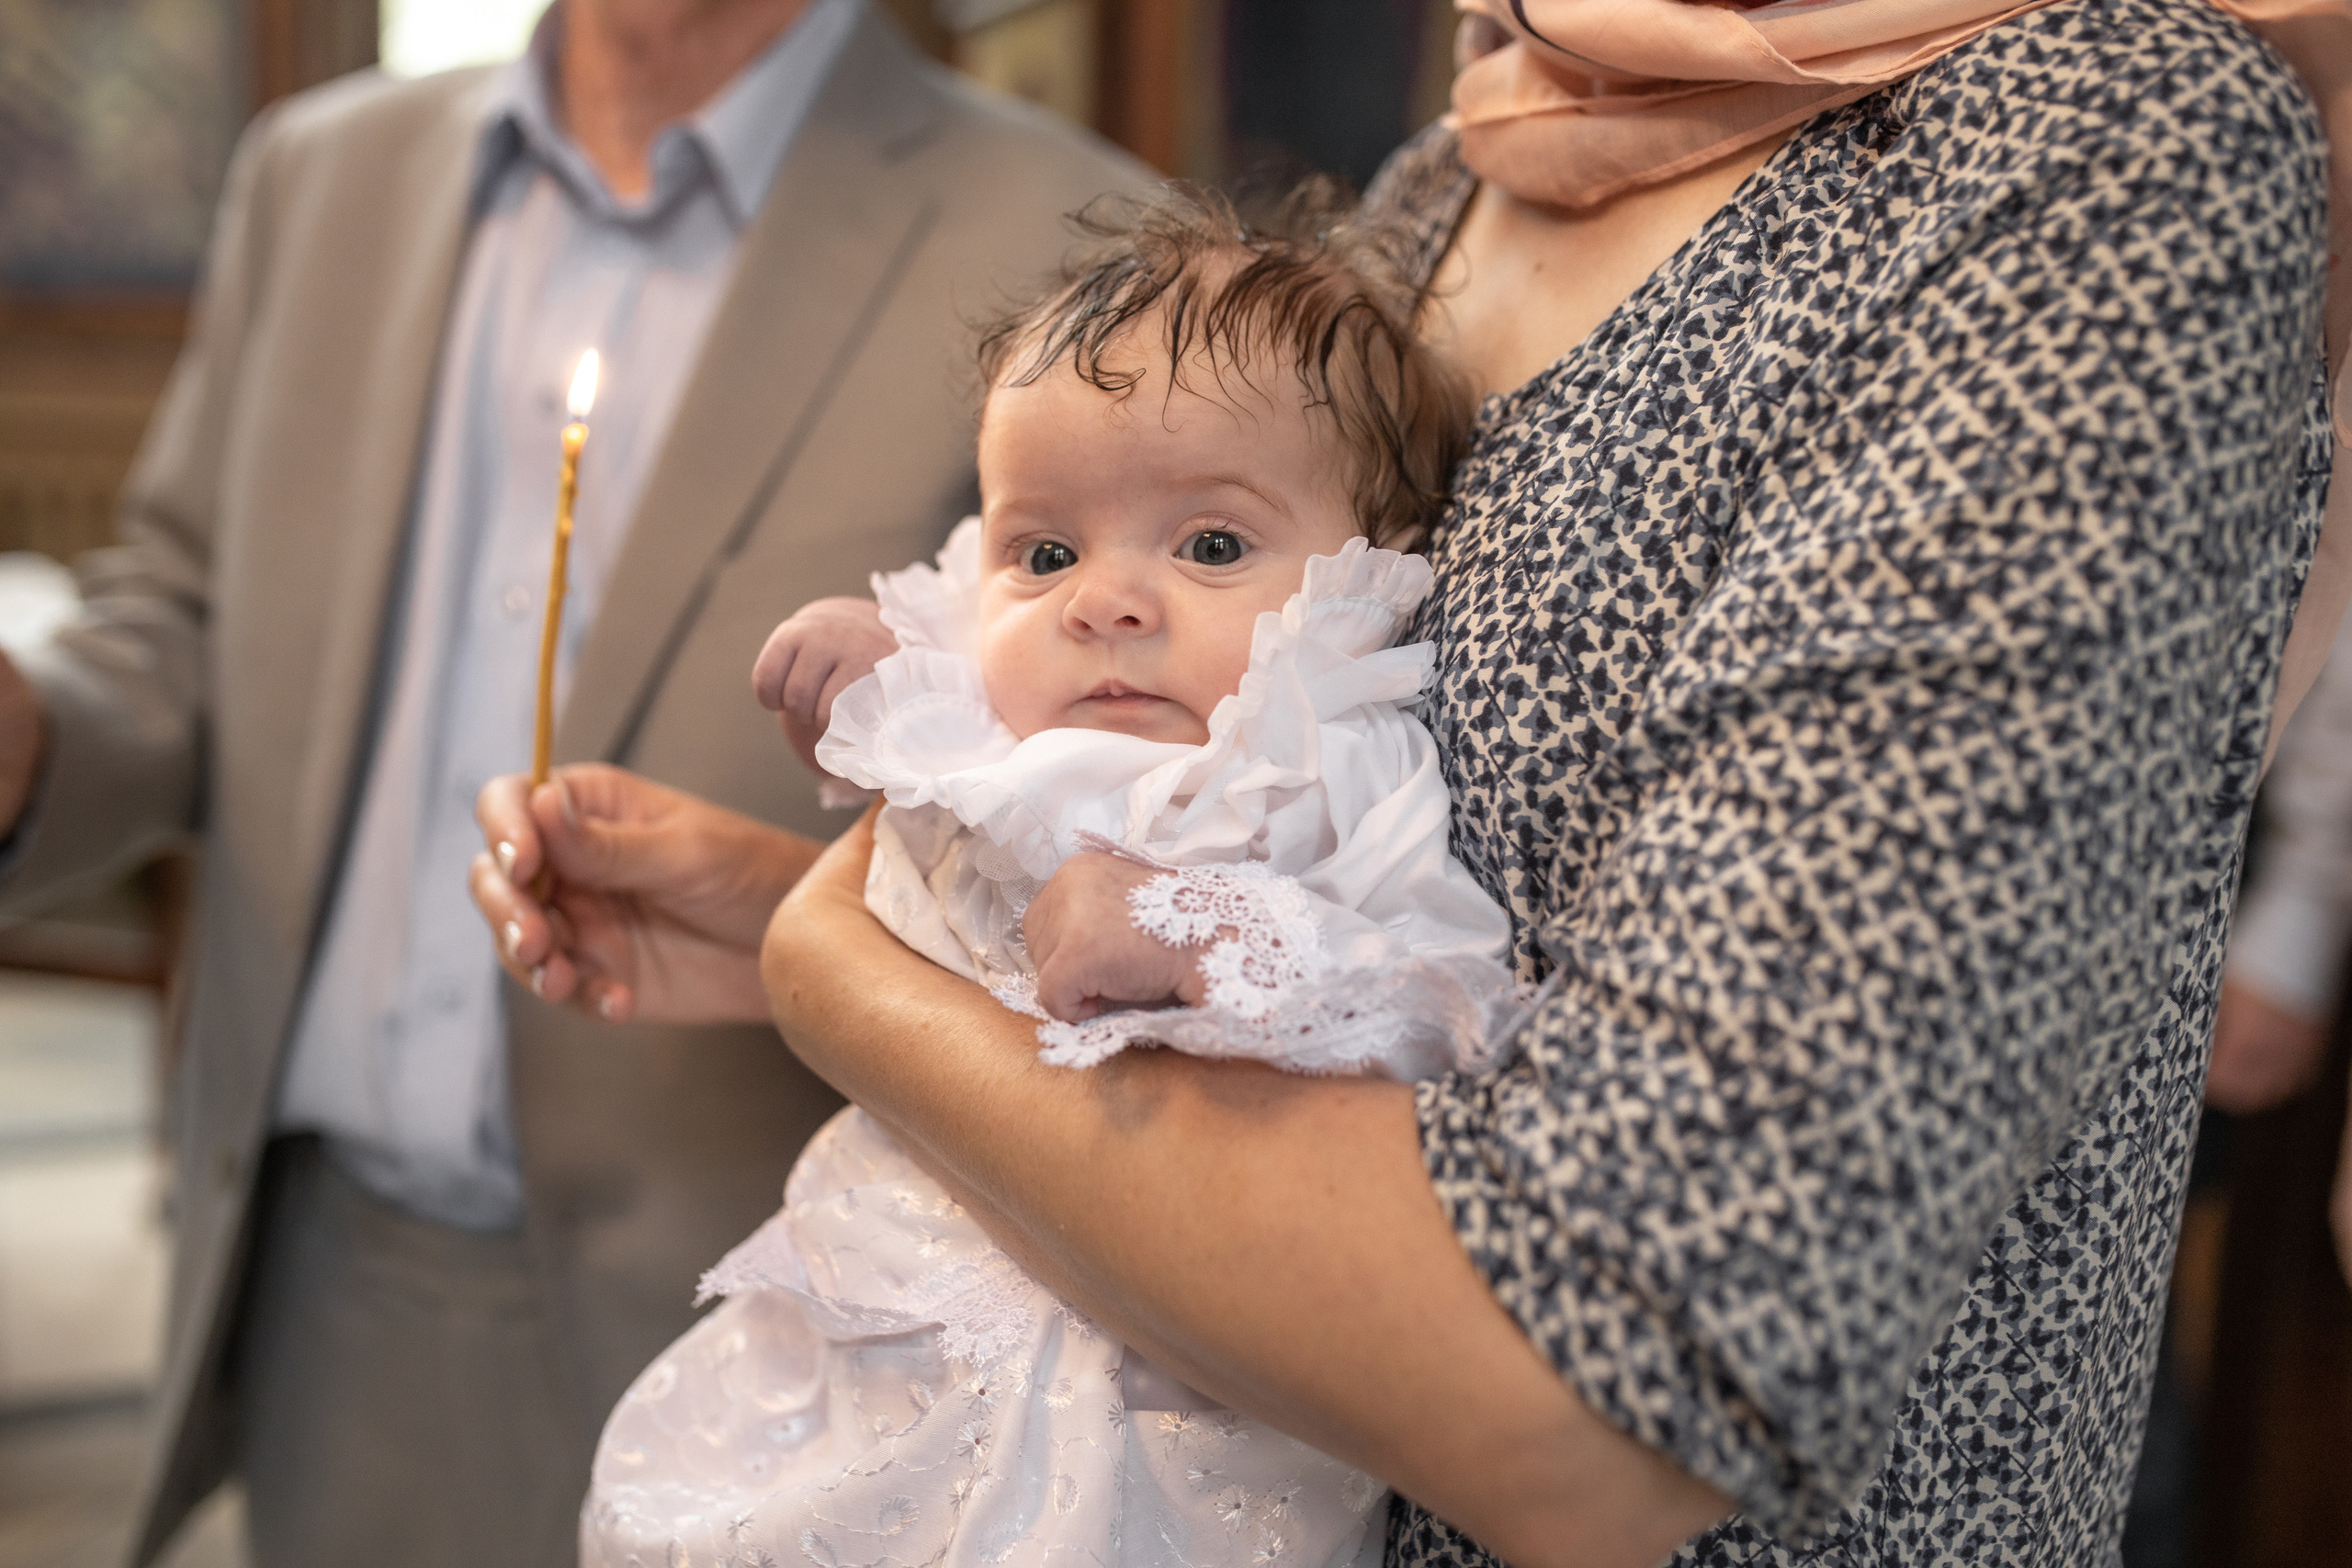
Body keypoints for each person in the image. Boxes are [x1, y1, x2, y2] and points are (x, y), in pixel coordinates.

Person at [474, 1, 2352, 1563]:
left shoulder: (2087, 152)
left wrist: (837, 975)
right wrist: (885, 906)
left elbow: (1613, 1384)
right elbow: (1250, 789)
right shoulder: (1472, 150)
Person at [0, 1, 1142, 1563]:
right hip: (321, 1300)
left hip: (790, 1349)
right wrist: (35, 731)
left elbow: (1138, 824)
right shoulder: (318, 173)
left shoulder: (1077, 239)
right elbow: (186, 625)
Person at [584, 187, 1520, 1568]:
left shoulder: (1332, 754)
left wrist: (1194, 921)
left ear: (1370, 569)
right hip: (902, 1337)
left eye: (1211, 546)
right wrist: (860, 677)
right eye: (1046, 550)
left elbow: (1444, 1003)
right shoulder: (994, 691)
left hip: (1168, 1418)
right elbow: (921, 787)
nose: (1102, 600)